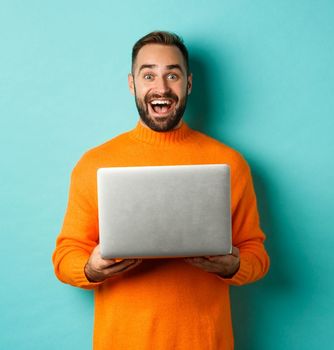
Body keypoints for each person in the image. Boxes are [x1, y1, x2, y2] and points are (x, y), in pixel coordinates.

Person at [52, 31, 270, 349]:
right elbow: (64, 255)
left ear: (189, 84)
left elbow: (257, 253)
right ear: (132, 84)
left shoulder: (230, 163)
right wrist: (91, 268)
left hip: (205, 342)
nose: (162, 87)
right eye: (149, 74)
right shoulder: (94, 164)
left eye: (173, 74)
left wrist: (234, 266)